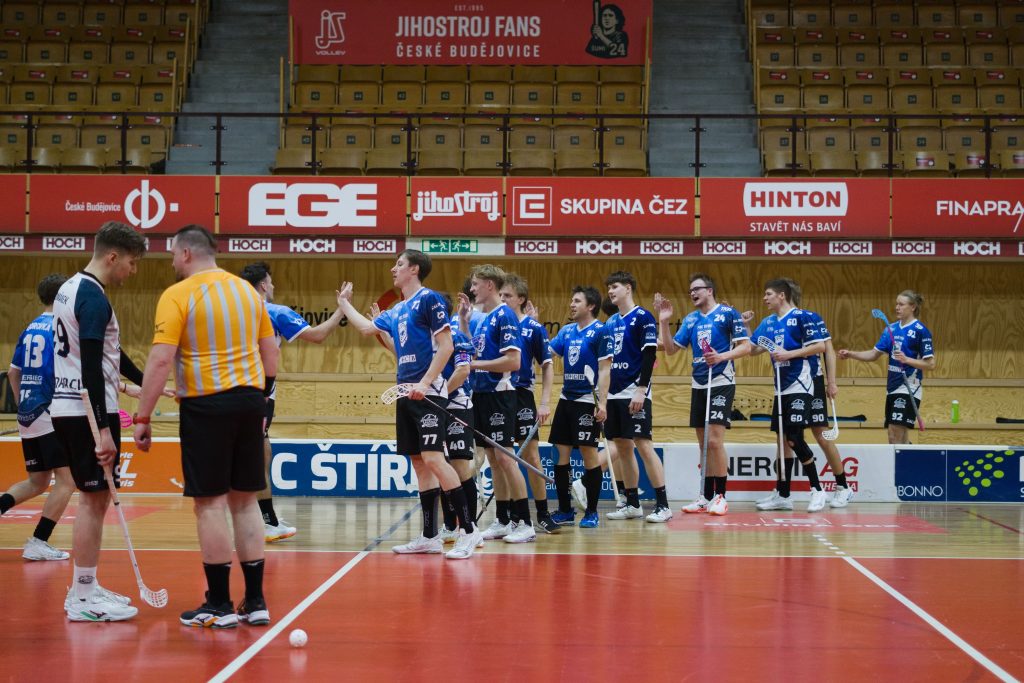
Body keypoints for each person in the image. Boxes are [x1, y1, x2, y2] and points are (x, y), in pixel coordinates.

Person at [133, 225, 279, 628]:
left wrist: (142, 417)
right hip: (250, 401)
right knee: (245, 501)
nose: (171, 262)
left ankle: (218, 603)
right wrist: (262, 399)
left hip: (206, 404)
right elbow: (270, 353)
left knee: (210, 503)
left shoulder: (178, 294)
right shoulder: (248, 292)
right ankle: (255, 600)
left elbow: (161, 359)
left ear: (185, 253)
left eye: (171, 255)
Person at [338, 250, 483, 559]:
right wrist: (344, 304)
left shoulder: (429, 299)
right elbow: (367, 328)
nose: (394, 269)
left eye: (400, 264)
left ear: (414, 269)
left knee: (434, 459)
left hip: (428, 392)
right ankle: (430, 536)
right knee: (419, 463)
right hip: (405, 391)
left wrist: (426, 382)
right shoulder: (398, 309)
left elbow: (446, 346)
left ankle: (469, 531)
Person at [51, 221, 147, 622]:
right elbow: (91, 367)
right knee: (93, 501)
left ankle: (85, 586)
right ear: (112, 256)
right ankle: (83, 598)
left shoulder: (71, 287)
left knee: (96, 499)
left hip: (71, 407)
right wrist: (103, 430)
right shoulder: (93, 297)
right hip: (88, 411)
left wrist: (148, 383)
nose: (132, 270)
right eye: (131, 262)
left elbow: (111, 355)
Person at [239, 261, 345, 543]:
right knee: (255, 458)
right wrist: (341, 309)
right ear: (263, 285)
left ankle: (267, 518)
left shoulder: (232, 312)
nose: (273, 286)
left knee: (262, 451)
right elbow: (318, 335)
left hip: (231, 391)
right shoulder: (274, 312)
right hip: (258, 394)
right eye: (271, 282)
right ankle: (262, 523)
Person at [705, 278, 827, 512]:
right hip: (780, 388)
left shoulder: (802, 317)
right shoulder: (769, 322)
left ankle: (817, 489)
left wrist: (789, 354)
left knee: (794, 438)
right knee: (782, 441)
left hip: (800, 385)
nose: (765, 298)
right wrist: (744, 325)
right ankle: (783, 494)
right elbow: (753, 349)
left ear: (782, 295)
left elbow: (819, 346)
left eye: (768, 294)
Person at [656, 273, 748, 516]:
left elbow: (746, 347)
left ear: (709, 290)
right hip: (698, 384)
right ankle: (705, 496)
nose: (693, 293)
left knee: (715, 441)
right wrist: (664, 322)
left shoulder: (728, 314)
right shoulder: (690, 319)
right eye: (690, 291)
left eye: (697, 289)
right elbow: (671, 350)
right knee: (703, 445)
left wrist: (721, 357)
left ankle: (721, 496)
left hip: (721, 381)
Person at [1, 274, 76, 561]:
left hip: (28, 413)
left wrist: (23, 406)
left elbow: (13, 373)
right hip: (48, 410)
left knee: (38, 481)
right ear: (63, 297)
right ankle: (38, 541)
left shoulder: (30, 327)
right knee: (67, 481)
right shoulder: (61, 328)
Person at [458, 264, 533, 542]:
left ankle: (525, 522)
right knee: (493, 458)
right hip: (481, 395)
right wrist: (463, 321)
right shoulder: (484, 318)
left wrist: (475, 365)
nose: (472, 289)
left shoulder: (505, 314)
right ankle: (502, 519)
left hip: (500, 395)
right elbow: (472, 350)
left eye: (475, 284)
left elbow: (513, 361)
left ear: (490, 285)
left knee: (505, 457)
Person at [603, 271, 672, 523]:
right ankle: (632, 503)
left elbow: (649, 354)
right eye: (609, 287)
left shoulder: (643, 317)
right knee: (623, 447)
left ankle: (663, 505)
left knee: (643, 444)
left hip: (635, 391)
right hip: (613, 393)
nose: (611, 291)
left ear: (628, 288)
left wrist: (641, 389)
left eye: (615, 286)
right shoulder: (611, 322)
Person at [785, 280, 854, 508]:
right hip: (790, 383)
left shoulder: (811, 317)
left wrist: (831, 382)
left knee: (821, 435)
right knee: (788, 436)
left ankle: (843, 487)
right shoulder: (777, 321)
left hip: (813, 380)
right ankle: (784, 492)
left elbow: (828, 350)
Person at [547, 286, 612, 528]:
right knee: (561, 453)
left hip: (587, 401)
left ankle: (592, 512)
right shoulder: (566, 331)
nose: (571, 305)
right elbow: (546, 354)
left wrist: (602, 403)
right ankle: (565, 510)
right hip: (566, 400)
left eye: (577, 301)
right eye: (571, 300)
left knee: (588, 454)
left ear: (591, 306)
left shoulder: (601, 331)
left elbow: (604, 370)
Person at [499, 273, 559, 534]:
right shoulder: (496, 322)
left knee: (531, 456)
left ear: (521, 299)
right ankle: (511, 514)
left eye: (508, 296)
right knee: (503, 456)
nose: (503, 299)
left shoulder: (533, 328)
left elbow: (547, 366)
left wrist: (544, 403)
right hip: (498, 395)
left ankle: (543, 513)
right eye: (500, 295)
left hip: (522, 395)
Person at [839, 290, 935, 445]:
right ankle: (908, 456)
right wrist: (851, 354)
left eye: (901, 304)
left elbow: (930, 364)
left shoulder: (921, 331)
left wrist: (906, 359)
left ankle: (904, 459)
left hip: (908, 387)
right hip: (892, 388)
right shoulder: (890, 329)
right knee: (897, 437)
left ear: (913, 307)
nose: (897, 307)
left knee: (894, 434)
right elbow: (873, 354)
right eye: (896, 304)